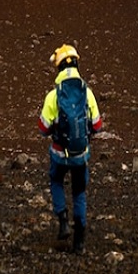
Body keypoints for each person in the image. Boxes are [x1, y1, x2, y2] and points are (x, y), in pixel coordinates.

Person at [38, 44, 103, 255]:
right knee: (79, 192)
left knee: (56, 181)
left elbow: (43, 128)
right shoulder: (88, 93)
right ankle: (80, 241)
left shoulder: (53, 96)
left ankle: (63, 219)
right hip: (80, 154)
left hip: (58, 153)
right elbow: (97, 125)